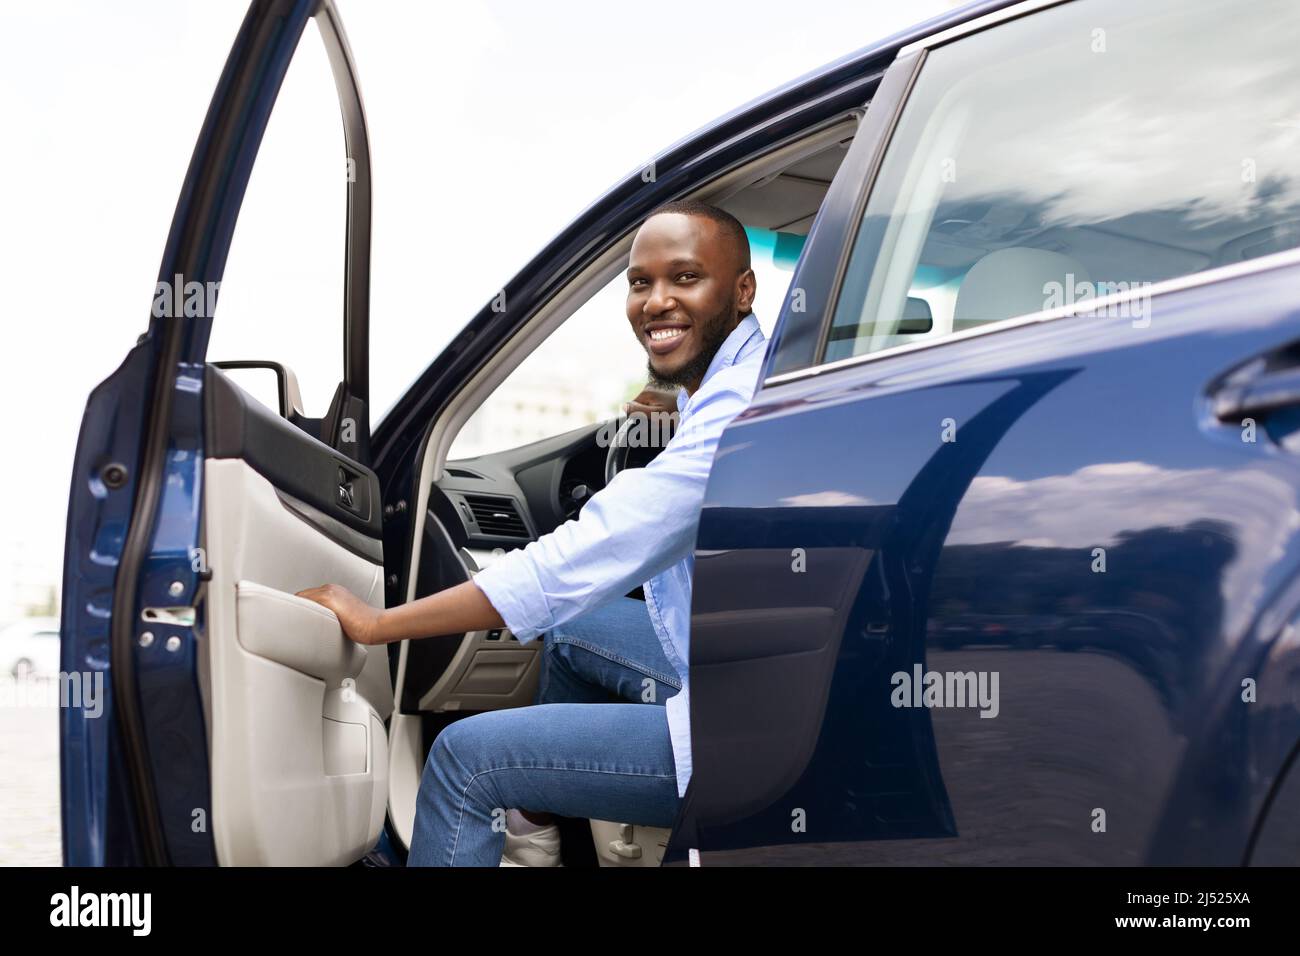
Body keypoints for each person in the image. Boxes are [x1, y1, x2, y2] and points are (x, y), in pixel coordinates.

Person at [298, 200, 766, 866]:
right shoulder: (737, 376)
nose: (656, 301)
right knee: (575, 630)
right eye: (641, 282)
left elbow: (569, 565)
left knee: (465, 763)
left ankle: (510, 823)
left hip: (743, 730)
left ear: (742, 290)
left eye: (685, 279)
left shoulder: (735, 410)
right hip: (745, 667)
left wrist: (376, 624)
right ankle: (535, 833)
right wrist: (672, 395)